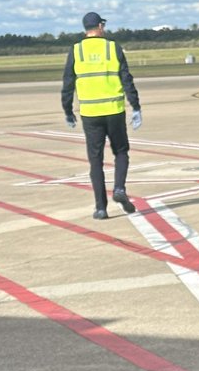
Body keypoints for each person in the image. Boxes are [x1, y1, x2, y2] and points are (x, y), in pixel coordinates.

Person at [61, 11, 142, 220]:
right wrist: (135, 106)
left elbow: (68, 83)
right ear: (99, 26)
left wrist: (68, 110)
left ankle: (100, 208)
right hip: (114, 111)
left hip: (90, 114)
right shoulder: (113, 47)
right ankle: (119, 188)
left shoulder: (76, 50)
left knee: (95, 160)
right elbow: (126, 78)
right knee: (121, 152)